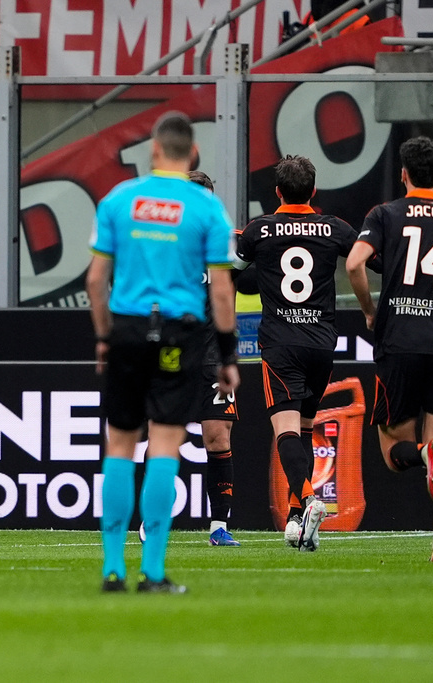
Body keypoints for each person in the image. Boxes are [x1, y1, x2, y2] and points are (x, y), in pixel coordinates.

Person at [87, 112, 239, 594]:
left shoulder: (119, 199)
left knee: (120, 445)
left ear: (153, 150)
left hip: (128, 329)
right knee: (165, 443)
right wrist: (229, 357)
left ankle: (112, 569)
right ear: (192, 153)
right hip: (180, 334)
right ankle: (152, 572)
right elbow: (220, 290)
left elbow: (95, 281)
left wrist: (105, 338)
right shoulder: (207, 208)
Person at [235, 155, 356, 552]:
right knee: (304, 428)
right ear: (314, 191)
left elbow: (233, 271)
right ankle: (293, 518)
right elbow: (366, 258)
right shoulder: (334, 227)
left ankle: (307, 499)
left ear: (276, 192)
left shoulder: (260, 230)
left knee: (285, 431)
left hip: (281, 344)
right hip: (322, 343)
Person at [346, 136, 433, 562]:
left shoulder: (385, 213)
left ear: (403, 175)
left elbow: (353, 263)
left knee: (394, 455)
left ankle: (423, 454)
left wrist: (370, 311)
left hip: (399, 339)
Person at [189, 171, 242, 547]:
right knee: (160, 439)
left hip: (211, 358)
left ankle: (218, 527)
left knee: (217, 437)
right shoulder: (161, 246)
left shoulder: (226, 250)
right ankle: (151, 522)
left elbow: (260, 275)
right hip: (170, 356)